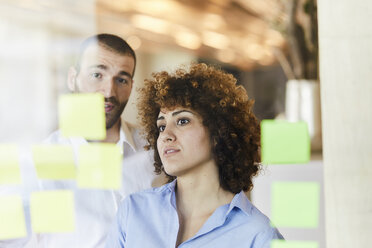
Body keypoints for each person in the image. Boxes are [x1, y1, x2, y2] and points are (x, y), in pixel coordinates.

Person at [0, 34, 166, 248]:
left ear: (131, 86)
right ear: (72, 78)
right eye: (97, 74)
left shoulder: (156, 150)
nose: (108, 91)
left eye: (121, 79)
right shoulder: (36, 163)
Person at [105, 63, 283, 247]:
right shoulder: (133, 211)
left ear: (218, 132)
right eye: (161, 126)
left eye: (182, 121)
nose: (166, 135)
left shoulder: (258, 234)